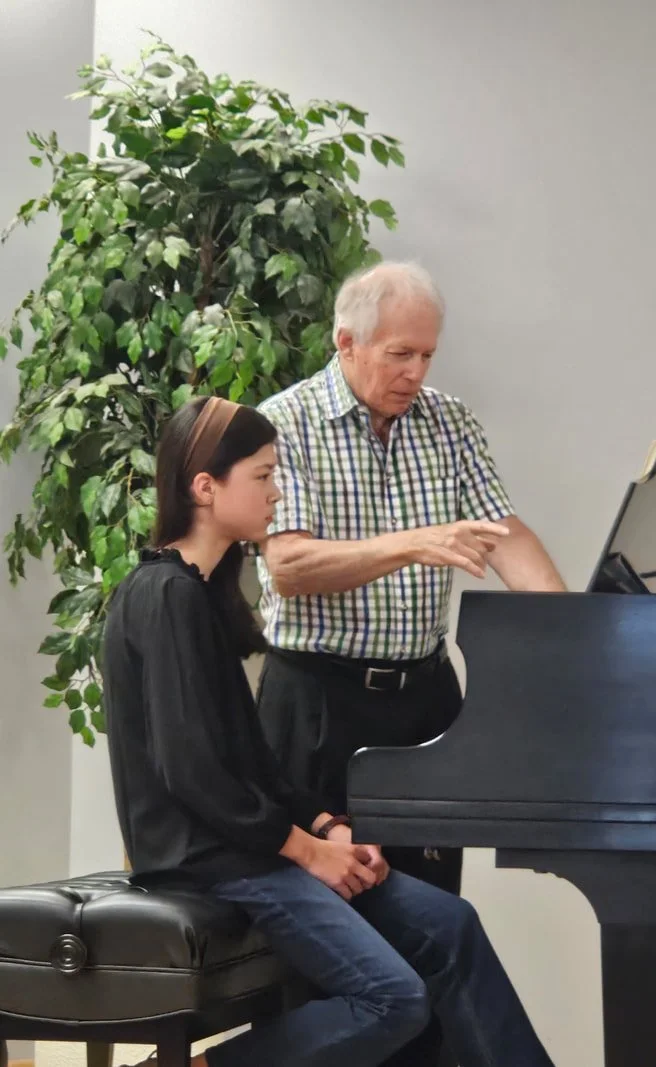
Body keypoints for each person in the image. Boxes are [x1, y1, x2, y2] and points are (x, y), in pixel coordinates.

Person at [102, 395, 557, 1067]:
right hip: (212, 861)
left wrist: (325, 825)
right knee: (393, 999)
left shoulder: (200, 593)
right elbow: (192, 771)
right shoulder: (165, 596)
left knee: (452, 924)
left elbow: (250, 757)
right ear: (205, 487)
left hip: (252, 849)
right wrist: (306, 851)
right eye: (262, 475)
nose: (276, 491)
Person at [256, 260, 565, 890]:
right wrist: (416, 543)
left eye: (427, 355)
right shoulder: (284, 422)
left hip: (424, 704)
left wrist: (572, 624)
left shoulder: (450, 421)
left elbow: (502, 535)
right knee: (327, 917)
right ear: (347, 342)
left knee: (431, 910)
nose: (416, 373)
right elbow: (289, 566)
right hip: (318, 705)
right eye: (400, 354)